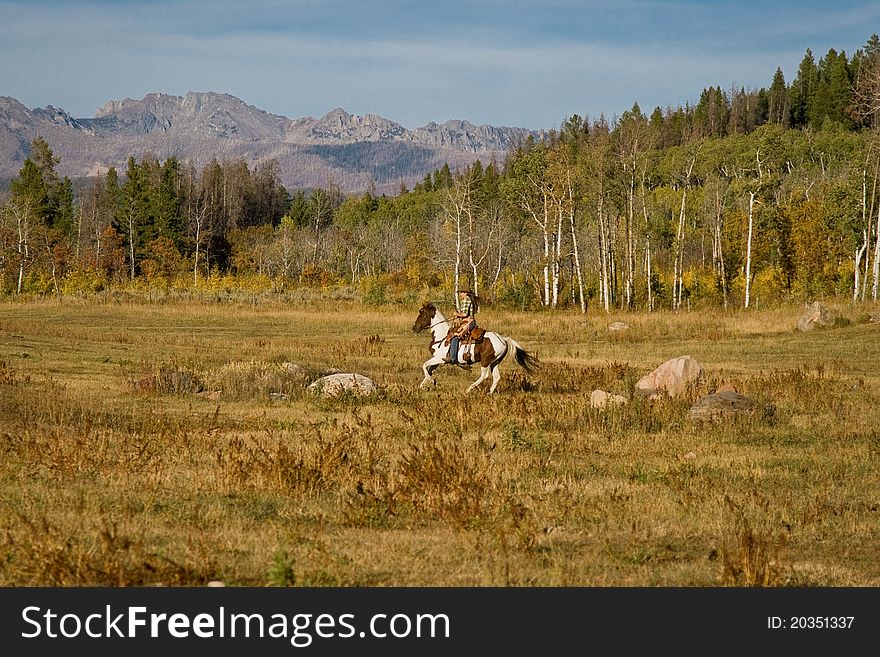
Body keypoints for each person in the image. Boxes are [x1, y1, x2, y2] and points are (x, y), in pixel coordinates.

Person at [445, 289, 477, 364]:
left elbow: (465, 315)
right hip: (466, 322)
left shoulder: (467, 300)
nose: (460, 294)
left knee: (456, 336)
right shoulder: (465, 301)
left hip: (468, 322)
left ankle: (453, 358)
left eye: (462, 293)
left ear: (466, 293)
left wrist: (456, 314)